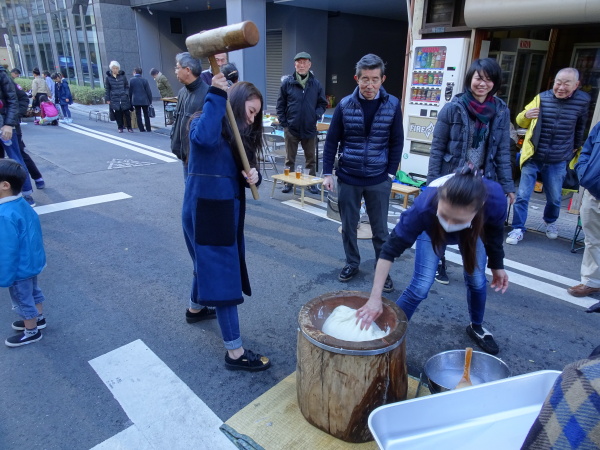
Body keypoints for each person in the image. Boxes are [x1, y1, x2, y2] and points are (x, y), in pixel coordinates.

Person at [357, 168, 509, 354]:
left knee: (477, 280)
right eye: (445, 215)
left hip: (471, 231)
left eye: (457, 219)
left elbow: (494, 234)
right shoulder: (424, 207)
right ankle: (388, 334)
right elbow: (389, 251)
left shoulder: (495, 201)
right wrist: (374, 298)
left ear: (480, 207)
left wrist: (497, 265)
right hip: (431, 228)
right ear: (439, 201)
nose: (450, 224)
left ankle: (476, 326)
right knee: (420, 285)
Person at [182, 73, 270, 371]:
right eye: (251, 111)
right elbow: (203, 139)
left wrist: (253, 175)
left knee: (208, 265)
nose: (253, 118)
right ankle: (235, 352)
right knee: (222, 277)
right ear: (235, 103)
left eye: (257, 114)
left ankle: (195, 308)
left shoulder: (240, 134)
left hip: (223, 211)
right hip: (206, 211)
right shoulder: (202, 119)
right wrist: (216, 94)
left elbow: (246, 168)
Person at [427, 58, 515, 285]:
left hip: (484, 178)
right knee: (444, 220)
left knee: (476, 222)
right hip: (452, 175)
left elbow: (503, 150)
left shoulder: (501, 111)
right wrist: (432, 183)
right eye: (478, 78)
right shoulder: (453, 108)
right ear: (470, 79)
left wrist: (507, 186)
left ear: (495, 83)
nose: (482, 84)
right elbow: (437, 148)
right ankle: (439, 261)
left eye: (488, 79)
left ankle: (473, 267)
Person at [322, 53, 403, 292]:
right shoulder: (345, 105)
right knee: (349, 226)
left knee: (380, 231)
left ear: (382, 79)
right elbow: (331, 141)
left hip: (379, 178)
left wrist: (389, 174)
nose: (370, 85)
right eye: (365, 79)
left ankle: (382, 271)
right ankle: (352, 263)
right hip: (348, 176)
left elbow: (397, 141)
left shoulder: (392, 104)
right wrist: (327, 173)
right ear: (357, 78)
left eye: (375, 79)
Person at [506, 68, 591, 245]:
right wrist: (526, 115)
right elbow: (520, 121)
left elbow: (580, 127)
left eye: (567, 83)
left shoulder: (583, 101)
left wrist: (575, 147)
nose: (561, 87)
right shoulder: (541, 98)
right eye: (558, 82)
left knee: (554, 198)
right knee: (522, 196)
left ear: (576, 85)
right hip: (534, 157)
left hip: (558, 159)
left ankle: (549, 222)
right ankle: (518, 228)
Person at [0, 159, 47, 347]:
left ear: (4, 185)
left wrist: (4, 277)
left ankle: (31, 331)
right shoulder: (21, 203)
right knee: (34, 293)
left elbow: (6, 249)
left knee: (22, 299)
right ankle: (39, 319)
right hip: (32, 262)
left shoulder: (4, 214)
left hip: (18, 268)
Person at [277, 52, 328, 195]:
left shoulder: (315, 84)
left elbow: (322, 103)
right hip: (291, 128)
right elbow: (280, 105)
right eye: (299, 62)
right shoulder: (287, 83)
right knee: (289, 160)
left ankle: (311, 184)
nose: (301, 65)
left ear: (309, 65)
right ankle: (288, 183)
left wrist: (316, 115)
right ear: (295, 65)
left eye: (305, 62)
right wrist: (284, 123)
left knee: (311, 160)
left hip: (309, 128)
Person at [567, 121, 600, 298]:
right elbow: (586, 152)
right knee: (593, 240)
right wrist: (584, 173)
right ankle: (592, 282)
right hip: (593, 191)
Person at [0, 66, 36, 206]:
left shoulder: (2, 74)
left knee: (16, 159)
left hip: (5, 126)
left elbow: (14, 100)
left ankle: (26, 194)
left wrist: (9, 123)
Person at [171, 52, 209, 179]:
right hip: (184, 155)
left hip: (199, 159)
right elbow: (177, 119)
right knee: (189, 193)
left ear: (187, 70)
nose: (175, 71)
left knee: (196, 195)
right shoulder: (182, 92)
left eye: (177, 67)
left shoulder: (207, 93)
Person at [105, 61, 133, 133]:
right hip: (114, 98)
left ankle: (129, 127)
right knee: (118, 113)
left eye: (116, 68)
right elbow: (107, 89)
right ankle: (120, 127)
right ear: (111, 69)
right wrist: (107, 98)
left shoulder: (123, 77)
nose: (115, 70)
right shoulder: (108, 78)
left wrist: (126, 93)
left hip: (124, 97)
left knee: (127, 113)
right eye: (114, 68)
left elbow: (127, 86)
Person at [129, 67, 153, 132]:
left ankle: (141, 129)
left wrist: (130, 100)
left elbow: (130, 92)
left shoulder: (131, 80)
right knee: (146, 115)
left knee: (138, 115)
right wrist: (150, 101)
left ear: (134, 72)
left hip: (136, 100)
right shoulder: (144, 80)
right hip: (145, 100)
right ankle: (148, 128)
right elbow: (148, 91)